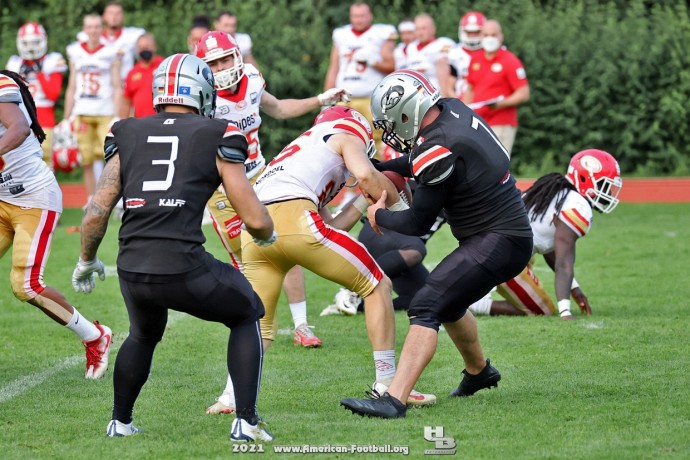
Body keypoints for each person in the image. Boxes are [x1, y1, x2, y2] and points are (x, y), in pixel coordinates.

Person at [72, 53, 275, 441]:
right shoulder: (218, 131)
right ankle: (246, 422)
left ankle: (120, 421)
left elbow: (98, 209)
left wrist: (86, 259)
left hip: (131, 266)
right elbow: (254, 217)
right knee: (247, 311)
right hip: (183, 265)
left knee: (143, 334)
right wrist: (267, 233)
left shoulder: (125, 131)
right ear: (201, 90)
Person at [340, 70, 533, 418]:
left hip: (498, 238)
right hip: (503, 233)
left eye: (391, 123)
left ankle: (394, 400)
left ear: (406, 112)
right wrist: (384, 165)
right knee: (448, 299)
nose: (392, 132)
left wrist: (377, 215)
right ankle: (479, 372)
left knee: (426, 303)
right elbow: (424, 158)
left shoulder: (436, 147)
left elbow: (415, 223)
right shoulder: (452, 109)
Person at [194, 31, 351, 414]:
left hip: (262, 174)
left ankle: (299, 325)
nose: (221, 69)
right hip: (224, 189)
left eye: (225, 60)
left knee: (283, 247)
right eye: (212, 64)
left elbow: (278, 109)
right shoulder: (199, 94)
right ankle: (255, 329)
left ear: (237, 57)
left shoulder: (251, 78)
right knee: (251, 267)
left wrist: (320, 99)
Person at [240, 105, 435, 407]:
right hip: (295, 219)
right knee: (377, 284)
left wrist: (360, 201)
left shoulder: (302, 151)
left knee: (259, 324)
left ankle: (230, 395)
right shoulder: (346, 134)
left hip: (254, 230)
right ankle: (388, 382)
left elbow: (331, 226)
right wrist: (394, 203)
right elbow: (366, 174)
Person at [0, 70, 112, 380]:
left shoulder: (1, 84)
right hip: (1, 199)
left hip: (33, 199)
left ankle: (95, 335)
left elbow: (19, 127)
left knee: (25, 286)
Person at [468, 150, 623, 319]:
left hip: (490, 245)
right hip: (502, 257)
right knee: (544, 309)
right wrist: (565, 311)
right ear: (585, 178)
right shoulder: (578, 206)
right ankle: (476, 304)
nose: (607, 192)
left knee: (527, 258)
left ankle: (472, 293)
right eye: (603, 185)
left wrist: (574, 289)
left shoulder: (559, 191)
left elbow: (549, 247)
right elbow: (564, 262)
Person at [324, 2, 397, 157]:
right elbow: (333, 67)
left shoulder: (382, 33)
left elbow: (392, 66)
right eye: (355, 16)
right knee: (340, 138)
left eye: (362, 15)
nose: (359, 20)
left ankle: (380, 176)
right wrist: (327, 97)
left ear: (370, 16)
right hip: (345, 97)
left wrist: (373, 62)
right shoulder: (341, 35)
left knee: (378, 140)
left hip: (373, 98)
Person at [64, 14, 122, 205]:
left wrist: (118, 114)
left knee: (112, 157)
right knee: (86, 159)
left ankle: (114, 199)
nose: (93, 31)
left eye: (96, 27)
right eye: (89, 27)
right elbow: (72, 85)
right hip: (82, 110)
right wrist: (66, 118)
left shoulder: (110, 51)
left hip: (104, 111)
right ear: (84, 28)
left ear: (101, 28)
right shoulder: (74, 51)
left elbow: (116, 85)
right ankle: (91, 199)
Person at [463, 19, 529, 157]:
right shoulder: (475, 59)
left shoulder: (510, 60)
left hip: (501, 121)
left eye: (493, 35)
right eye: (486, 35)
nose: (489, 39)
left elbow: (523, 93)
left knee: (496, 162)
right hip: (478, 121)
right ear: (481, 36)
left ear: (500, 36)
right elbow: (470, 88)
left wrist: (500, 103)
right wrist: (464, 111)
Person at [6, 23, 67, 163]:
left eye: (35, 42)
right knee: (20, 161)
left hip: (44, 118)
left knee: (45, 160)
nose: (31, 47)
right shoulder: (15, 63)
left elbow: (53, 94)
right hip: (20, 117)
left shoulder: (51, 61)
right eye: (27, 43)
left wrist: (38, 72)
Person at [76, 1, 145, 80]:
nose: (114, 17)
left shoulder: (132, 35)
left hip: (124, 85)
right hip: (101, 87)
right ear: (103, 16)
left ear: (123, 16)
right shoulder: (89, 36)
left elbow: (145, 58)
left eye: (118, 13)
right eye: (111, 13)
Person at [403, 14, 456, 98]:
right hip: (415, 96)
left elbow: (449, 75)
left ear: (433, 29)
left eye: (424, 28)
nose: (420, 32)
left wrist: (445, 97)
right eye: (417, 29)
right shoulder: (411, 47)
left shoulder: (442, 44)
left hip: (436, 95)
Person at [119, 33, 164, 118]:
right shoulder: (132, 73)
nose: (144, 50)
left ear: (155, 47)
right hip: (141, 124)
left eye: (147, 46)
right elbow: (126, 102)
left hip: (162, 121)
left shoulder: (165, 66)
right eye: (141, 47)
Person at [448, 11, 487, 99]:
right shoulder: (455, 53)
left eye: (476, 32)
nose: (472, 35)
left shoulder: (489, 52)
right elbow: (449, 87)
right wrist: (460, 105)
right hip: (462, 100)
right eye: (469, 32)